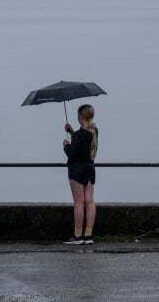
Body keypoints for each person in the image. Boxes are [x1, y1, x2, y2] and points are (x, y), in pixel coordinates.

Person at [63, 104, 99, 245]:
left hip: (77, 170)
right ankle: (88, 235)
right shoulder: (94, 131)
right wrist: (72, 132)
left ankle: (77, 236)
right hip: (90, 169)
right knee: (89, 201)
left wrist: (66, 145)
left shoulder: (80, 135)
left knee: (79, 202)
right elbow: (83, 143)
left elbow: (72, 154)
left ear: (80, 116)